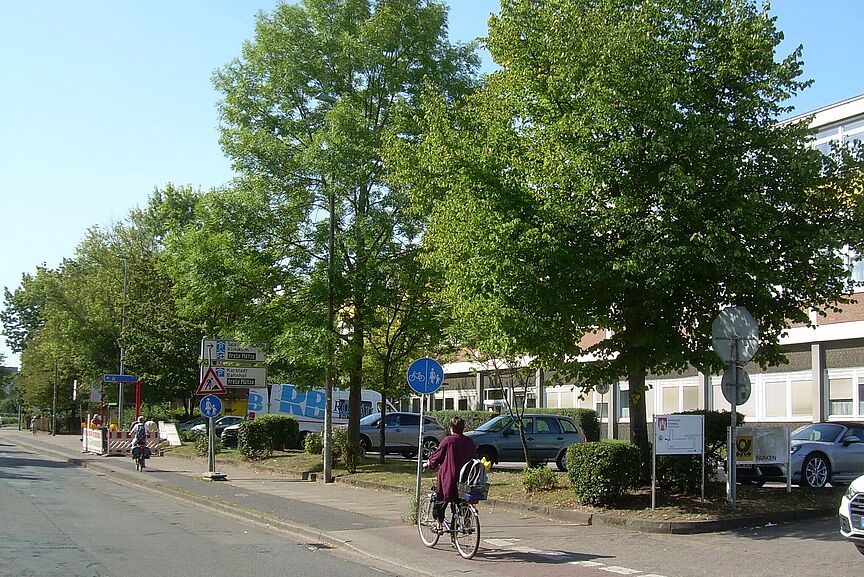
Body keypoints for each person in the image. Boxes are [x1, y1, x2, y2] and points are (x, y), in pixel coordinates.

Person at [423, 417, 476, 533]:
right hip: (466, 479)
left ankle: (439, 525)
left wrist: (428, 464)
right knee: (462, 501)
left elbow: (437, 457)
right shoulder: (469, 441)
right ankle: (466, 522)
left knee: (440, 499)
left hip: (449, 478)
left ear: (451, 428)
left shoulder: (448, 441)